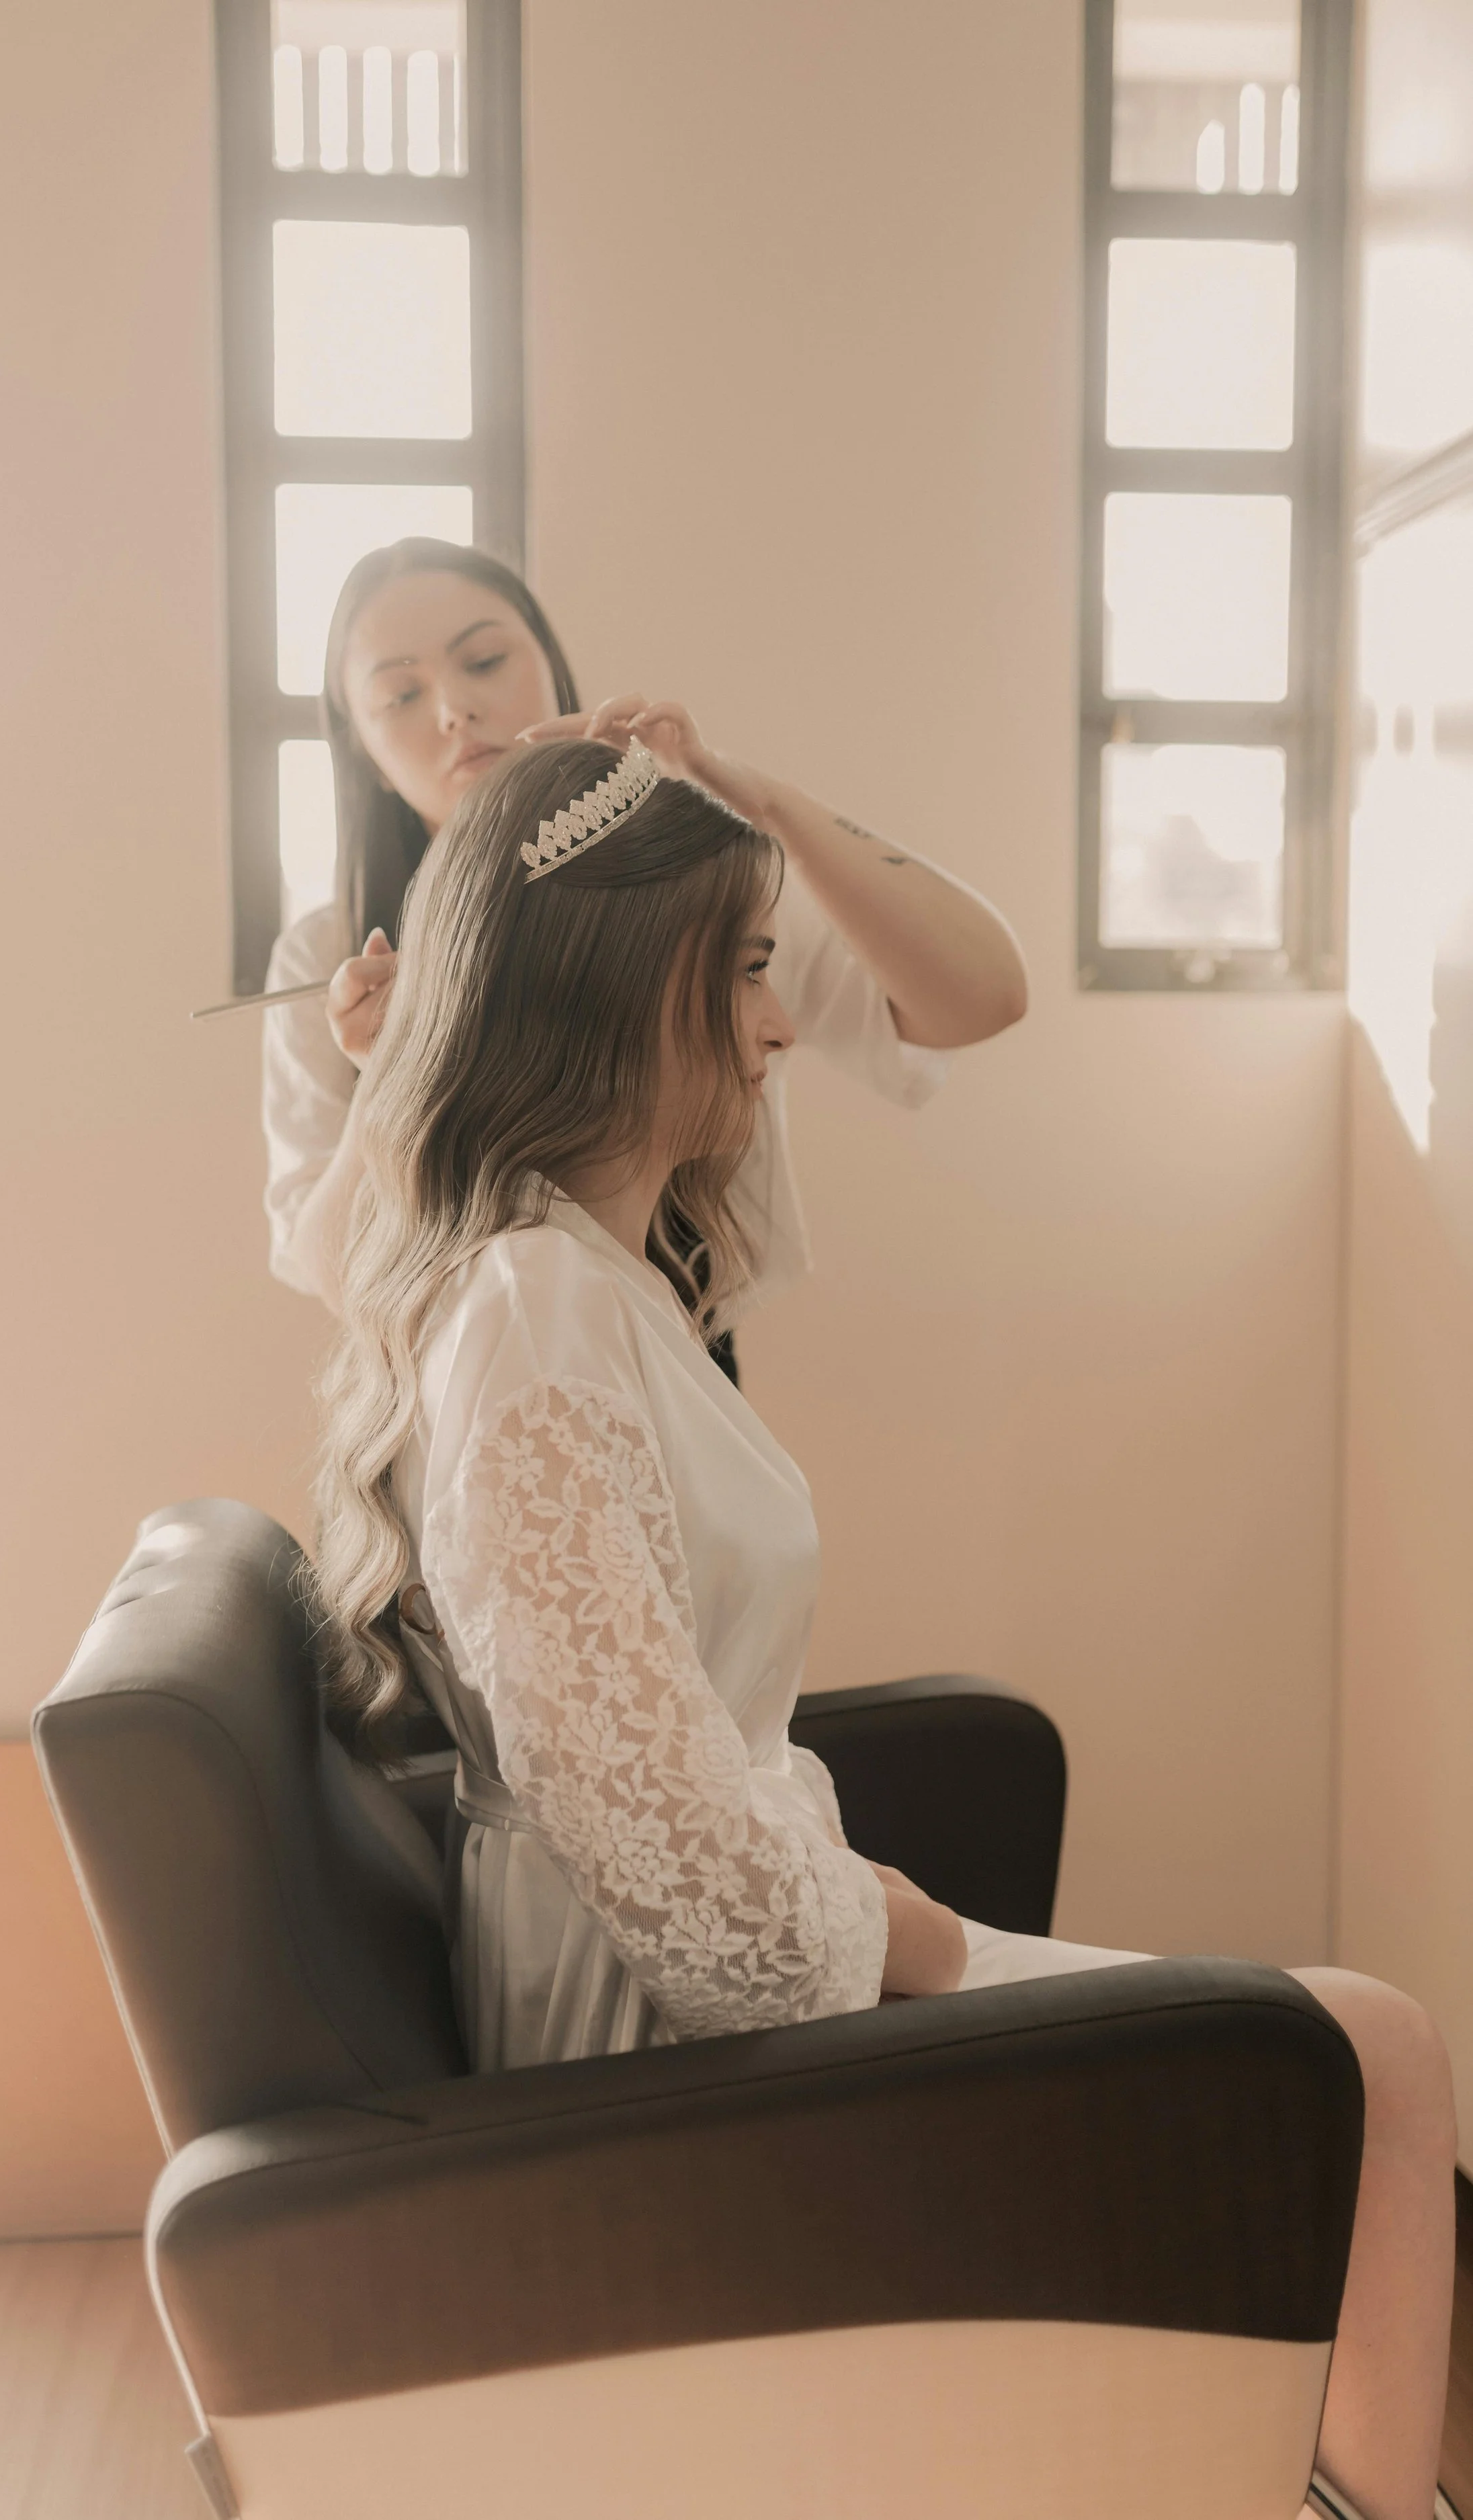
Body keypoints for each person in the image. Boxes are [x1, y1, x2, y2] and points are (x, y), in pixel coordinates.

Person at [313, 736, 1457, 2520]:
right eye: (750, 965)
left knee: (1351, 2053)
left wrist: (734, 776)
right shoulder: (533, 1310)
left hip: (751, 1969)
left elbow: (962, 992)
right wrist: (910, 1929)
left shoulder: (599, 1276)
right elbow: (663, 1850)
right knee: (1364, 2053)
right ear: (629, 987)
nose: (781, 1027)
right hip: (672, 2062)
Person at [260, 539, 1029, 1370]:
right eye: (401, 693)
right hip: (461, 1400)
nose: (453, 709)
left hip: (680, 1365)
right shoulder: (331, 954)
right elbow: (337, 1274)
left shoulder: (695, 890)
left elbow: (983, 995)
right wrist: (388, 1067)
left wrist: (762, 802)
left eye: (483, 660)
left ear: (553, 667)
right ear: (363, 753)